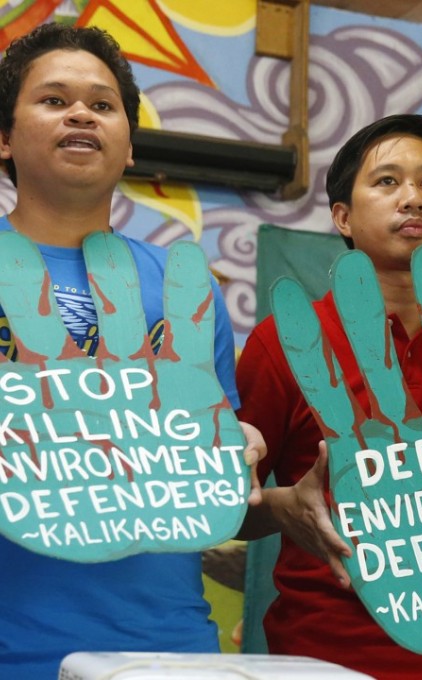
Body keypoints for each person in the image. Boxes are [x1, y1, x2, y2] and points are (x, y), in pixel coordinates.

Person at [0, 23, 261, 677]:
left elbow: (212, 454)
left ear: (129, 146)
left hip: (168, 652)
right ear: (3, 137)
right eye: (55, 100)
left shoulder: (185, 286)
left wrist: (242, 453)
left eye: (103, 103)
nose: (82, 112)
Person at [236, 114, 422, 679]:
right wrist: (282, 508)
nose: (413, 199)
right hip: (330, 659)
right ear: (343, 217)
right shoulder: (285, 341)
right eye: (387, 182)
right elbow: (225, 507)